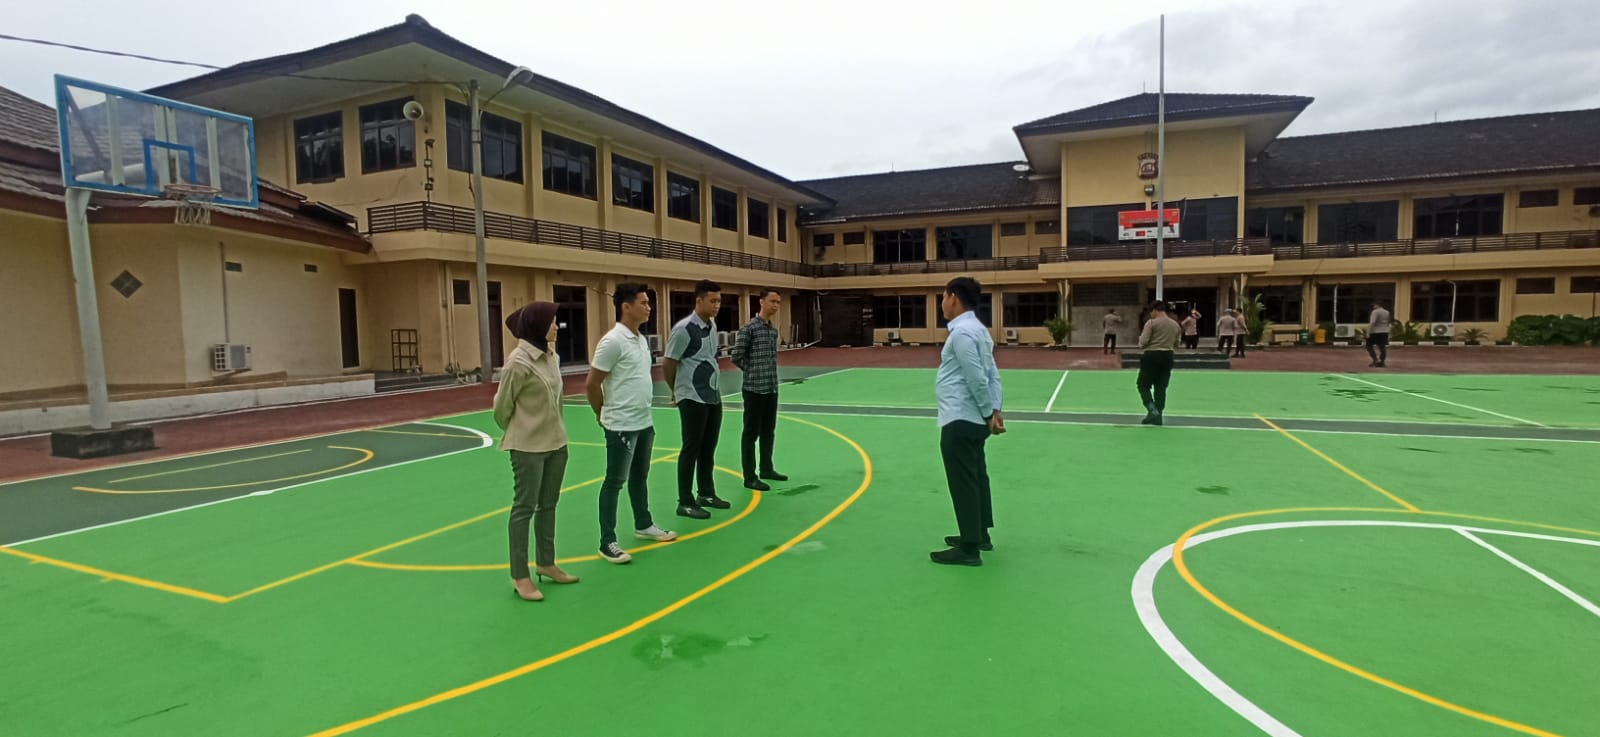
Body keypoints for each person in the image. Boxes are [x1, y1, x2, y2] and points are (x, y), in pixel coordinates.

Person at [586, 283, 678, 566]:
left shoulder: (640, 340)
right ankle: (607, 541)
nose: (649, 307)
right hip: (621, 424)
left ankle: (644, 524)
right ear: (626, 307)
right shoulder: (612, 342)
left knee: (640, 476)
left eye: (649, 303)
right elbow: (592, 384)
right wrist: (601, 413)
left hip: (643, 421)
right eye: (643, 303)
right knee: (614, 481)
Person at [495, 302, 577, 602]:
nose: (556, 326)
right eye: (552, 321)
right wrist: (523, 427)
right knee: (524, 508)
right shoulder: (518, 362)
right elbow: (501, 408)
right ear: (538, 325)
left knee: (548, 505)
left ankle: (546, 562)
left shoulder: (551, 356)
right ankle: (520, 575)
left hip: (556, 443)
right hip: (527, 446)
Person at [931, 276, 1005, 567]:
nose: (942, 303)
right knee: (976, 476)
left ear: (953, 297)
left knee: (963, 482)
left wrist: (989, 412)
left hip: (960, 416)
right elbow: (992, 374)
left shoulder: (962, 333)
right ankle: (979, 533)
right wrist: (994, 409)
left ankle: (969, 547)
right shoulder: (980, 331)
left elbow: (976, 377)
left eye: (943, 297)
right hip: (974, 417)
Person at [664, 279, 731, 520]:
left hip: (712, 395)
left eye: (719, 301)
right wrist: (677, 391)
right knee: (691, 447)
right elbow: (669, 362)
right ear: (699, 300)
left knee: (708, 447)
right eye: (712, 301)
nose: (717, 305)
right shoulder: (683, 329)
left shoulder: (712, 326)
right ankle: (685, 501)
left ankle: (706, 493)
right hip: (692, 396)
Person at [731, 287, 787, 492]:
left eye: (778, 302)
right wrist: (752, 370)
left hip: (771, 388)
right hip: (754, 389)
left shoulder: (773, 330)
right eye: (773, 301)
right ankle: (749, 476)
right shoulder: (749, 329)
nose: (776, 305)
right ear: (761, 302)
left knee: (768, 431)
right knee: (750, 433)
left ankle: (766, 468)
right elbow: (736, 356)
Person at [1137, 301, 1183, 426]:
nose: (1150, 314)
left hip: (1152, 355)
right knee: (1160, 387)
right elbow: (1177, 344)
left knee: (1143, 385)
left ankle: (1152, 410)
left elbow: (1143, 342)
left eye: (1151, 312)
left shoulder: (1151, 323)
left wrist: (1142, 342)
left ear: (1155, 310)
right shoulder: (1175, 325)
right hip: (1168, 356)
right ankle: (1159, 416)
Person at [1367, 300, 1393, 368]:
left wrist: (1368, 332)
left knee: (1368, 345)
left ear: (1378, 305)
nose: (1373, 306)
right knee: (1382, 346)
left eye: (1374, 305)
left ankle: (1375, 359)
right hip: (1384, 331)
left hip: (1375, 331)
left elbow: (1372, 322)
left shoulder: (1375, 312)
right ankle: (1382, 361)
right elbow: (1389, 322)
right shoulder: (1387, 312)